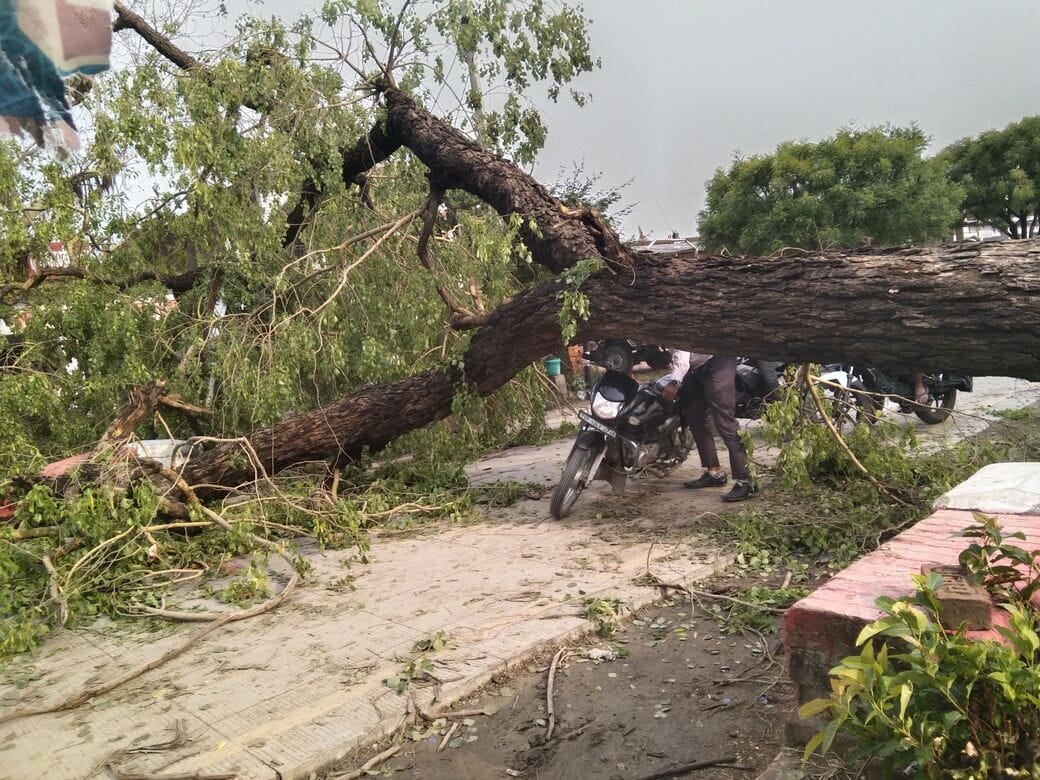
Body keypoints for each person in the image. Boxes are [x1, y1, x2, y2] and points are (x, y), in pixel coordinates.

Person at [663, 350, 755, 502]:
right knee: (695, 416)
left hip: (718, 359)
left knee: (725, 422)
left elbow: (682, 354)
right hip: (698, 366)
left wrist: (674, 382)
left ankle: (745, 480)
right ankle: (714, 473)